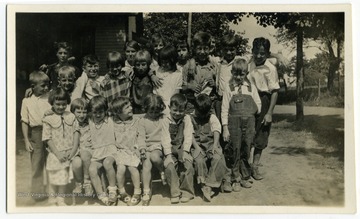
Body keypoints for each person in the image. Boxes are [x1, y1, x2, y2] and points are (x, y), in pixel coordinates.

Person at [221, 58, 261, 191]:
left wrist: (252, 112)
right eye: (236, 74)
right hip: (234, 123)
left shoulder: (250, 87)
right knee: (235, 149)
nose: (238, 77)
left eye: (242, 74)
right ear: (232, 72)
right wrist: (225, 127)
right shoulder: (229, 87)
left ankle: (245, 177)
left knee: (246, 148)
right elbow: (224, 108)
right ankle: (235, 178)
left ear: (246, 73)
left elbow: (258, 103)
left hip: (249, 122)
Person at [247, 37, 280, 180]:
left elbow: (274, 92)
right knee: (247, 133)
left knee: (261, 135)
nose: (259, 56)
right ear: (252, 51)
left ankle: (255, 166)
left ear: (267, 53)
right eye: (256, 52)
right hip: (249, 101)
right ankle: (244, 167)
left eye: (263, 53)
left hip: (264, 99)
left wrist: (269, 113)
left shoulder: (271, 68)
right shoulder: (249, 63)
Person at [191, 94, 232, 202]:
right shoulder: (190, 118)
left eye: (206, 114)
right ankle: (202, 183)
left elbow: (216, 130)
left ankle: (209, 185)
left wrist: (215, 145)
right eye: (200, 114)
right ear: (195, 109)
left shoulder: (212, 116)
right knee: (199, 160)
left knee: (218, 157)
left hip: (210, 143)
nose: (203, 116)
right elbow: (189, 134)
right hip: (197, 144)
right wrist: (196, 147)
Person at [42, 88, 77, 206]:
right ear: (52, 103)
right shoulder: (48, 119)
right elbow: (47, 138)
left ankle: (61, 199)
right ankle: (52, 199)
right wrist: (57, 153)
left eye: (63, 104)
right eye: (58, 104)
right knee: (53, 176)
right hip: (55, 153)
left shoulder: (71, 116)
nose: (61, 107)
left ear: (67, 103)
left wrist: (72, 152)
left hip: (68, 152)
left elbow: (75, 133)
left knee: (63, 177)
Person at [20, 71, 51, 204]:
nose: (46, 88)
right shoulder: (26, 101)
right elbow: (24, 121)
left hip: (50, 131)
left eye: (48, 85)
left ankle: (54, 190)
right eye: (43, 85)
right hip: (36, 133)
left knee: (52, 161)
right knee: (37, 162)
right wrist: (26, 140)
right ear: (33, 86)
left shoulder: (50, 96)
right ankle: (38, 191)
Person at [161, 93, 195, 204]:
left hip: (182, 147)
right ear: (169, 108)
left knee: (187, 164)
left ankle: (187, 191)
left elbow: (188, 135)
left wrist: (185, 152)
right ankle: (175, 192)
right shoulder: (166, 120)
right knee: (169, 167)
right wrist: (168, 155)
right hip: (170, 149)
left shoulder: (186, 119)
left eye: (181, 111)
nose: (177, 113)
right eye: (175, 110)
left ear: (185, 110)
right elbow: (165, 138)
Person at [137, 94, 168, 206]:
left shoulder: (163, 118)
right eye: (151, 112)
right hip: (147, 147)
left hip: (160, 146)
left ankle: (162, 170)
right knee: (146, 164)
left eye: (157, 111)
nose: (154, 114)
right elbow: (141, 137)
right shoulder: (142, 121)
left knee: (154, 157)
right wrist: (142, 149)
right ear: (146, 109)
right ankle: (146, 191)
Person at [111, 97, 142, 206]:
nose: (131, 108)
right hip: (120, 150)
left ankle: (137, 191)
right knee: (121, 168)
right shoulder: (113, 122)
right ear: (118, 111)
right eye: (127, 107)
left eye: (130, 106)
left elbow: (140, 136)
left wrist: (138, 148)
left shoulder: (136, 121)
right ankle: (122, 191)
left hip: (133, 150)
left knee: (132, 168)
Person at [87, 96, 118, 206]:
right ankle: (101, 195)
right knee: (91, 169)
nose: (98, 115)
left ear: (105, 111)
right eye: (95, 112)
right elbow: (77, 111)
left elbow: (117, 108)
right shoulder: (90, 121)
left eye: (101, 112)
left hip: (110, 151)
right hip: (97, 153)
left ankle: (113, 190)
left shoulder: (110, 119)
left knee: (107, 163)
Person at [182, 31, 219, 113]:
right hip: (191, 105)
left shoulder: (214, 66)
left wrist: (214, 84)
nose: (202, 52)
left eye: (205, 48)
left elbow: (219, 89)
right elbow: (181, 87)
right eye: (199, 48)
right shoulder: (188, 66)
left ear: (210, 49)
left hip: (209, 105)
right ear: (194, 49)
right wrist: (190, 86)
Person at [70, 98, 94, 197]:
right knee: (76, 163)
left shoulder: (90, 121)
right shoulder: (71, 122)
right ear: (73, 112)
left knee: (84, 154)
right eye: (78, 112)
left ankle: (87, 182)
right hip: (75, 150)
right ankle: (79, 183)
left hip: (88, 149)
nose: (81, 115)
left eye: (84, 112)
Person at [152, 45, 183, 114]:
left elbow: (175, 95)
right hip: (155, 103)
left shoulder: (178, 75)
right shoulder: (157, 70)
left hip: (169, 105)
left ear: (173, 60)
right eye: (162, 62)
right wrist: (152, 76)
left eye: (166, 62)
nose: (163, 64)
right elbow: (147, 69)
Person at [131, 50, 154, 114]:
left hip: (147, 108)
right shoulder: (133, 75)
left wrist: (152, 75)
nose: (140, 68)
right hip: (135, 108)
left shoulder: (151, 76)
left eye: (143, 64)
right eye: (138, 65)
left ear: (148, 64)